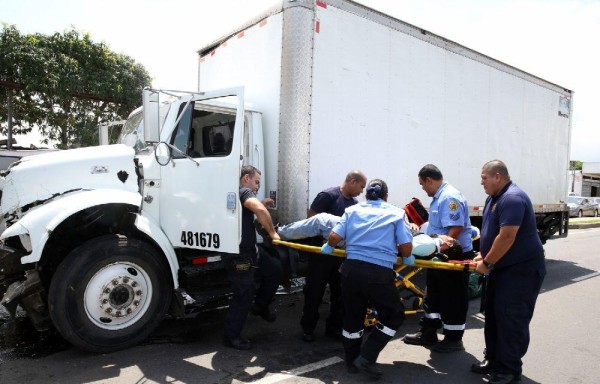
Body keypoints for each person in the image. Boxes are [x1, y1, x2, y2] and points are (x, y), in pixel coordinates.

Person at [322, 179, 413, 379]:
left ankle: (351, 361)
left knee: (353, 316)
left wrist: (329, 246)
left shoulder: (352, 211)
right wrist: (407, 256)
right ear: (386, 196)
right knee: (394, 315)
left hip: (350, 271)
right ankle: (367, 356)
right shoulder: (396, 213)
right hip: (378, 273)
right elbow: (406, 248)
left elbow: (334, 238)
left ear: (366, 196)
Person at [471, 160, 546, 384]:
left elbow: (507, 236)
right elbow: (493, 232)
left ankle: (510, 370)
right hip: (502, 269)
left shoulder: (512, 198)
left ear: (498, 176)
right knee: (494, 315)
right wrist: (485, 256)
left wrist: (488, 263)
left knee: (511, 318)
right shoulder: (493, 198)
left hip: (521, 270)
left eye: (484, 177)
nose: (481, 182)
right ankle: (494, 360)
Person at [403, 164, 475, 353]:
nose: (422, 188)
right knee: (432, 294)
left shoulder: (449, 197)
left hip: (452, 256)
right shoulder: (438, 197)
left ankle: (453, 339)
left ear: (429, 180)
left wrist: (443, 252)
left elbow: (455, 229)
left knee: (453, 297)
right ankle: (428, 332)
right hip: (439, 255)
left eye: (422, 184)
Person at [300, 170, 367, 342]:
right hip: (321, 255)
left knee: (340, 295)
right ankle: (308, 328)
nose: (361, 191)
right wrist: (327, 237)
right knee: (314, 293)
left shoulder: (354, 204)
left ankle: (333, 328)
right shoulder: (328, 196)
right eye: (361, 186)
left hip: (341, 257)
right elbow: (311, 219)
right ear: (352, 181)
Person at [222, 165, 283, 350]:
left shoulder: (238, 193)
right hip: (239, 254)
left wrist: (262, 203)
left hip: (250, 249)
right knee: (243, 294)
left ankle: (260, 306)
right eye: (256, 182)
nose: (257, 186)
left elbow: (250, 210)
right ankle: (232, 337)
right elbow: (260, 211)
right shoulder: (243, 190)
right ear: (246, 178)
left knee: (274, 269)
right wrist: (273, 234)